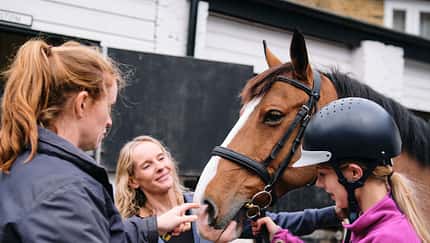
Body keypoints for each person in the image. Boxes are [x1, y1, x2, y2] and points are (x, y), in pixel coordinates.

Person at [0, 39, 198, 243]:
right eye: (108, 106)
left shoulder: (31, 167)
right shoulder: (65, 192)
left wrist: (154, 225)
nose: (109, 121)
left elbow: (101, 234)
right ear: (82, 104)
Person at [252, 97, 430, 243]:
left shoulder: (390, 238)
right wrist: (280, 237)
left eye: (322, 174)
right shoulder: (369, 228)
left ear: (354, 173)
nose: (319, 184)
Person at [115, 135, 343, 243]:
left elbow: (275, 222)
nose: (159, 167)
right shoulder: (134, 229)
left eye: (160, 158)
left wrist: (333, 214)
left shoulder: (204, 206)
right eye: (147, 165)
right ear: (133, 181)